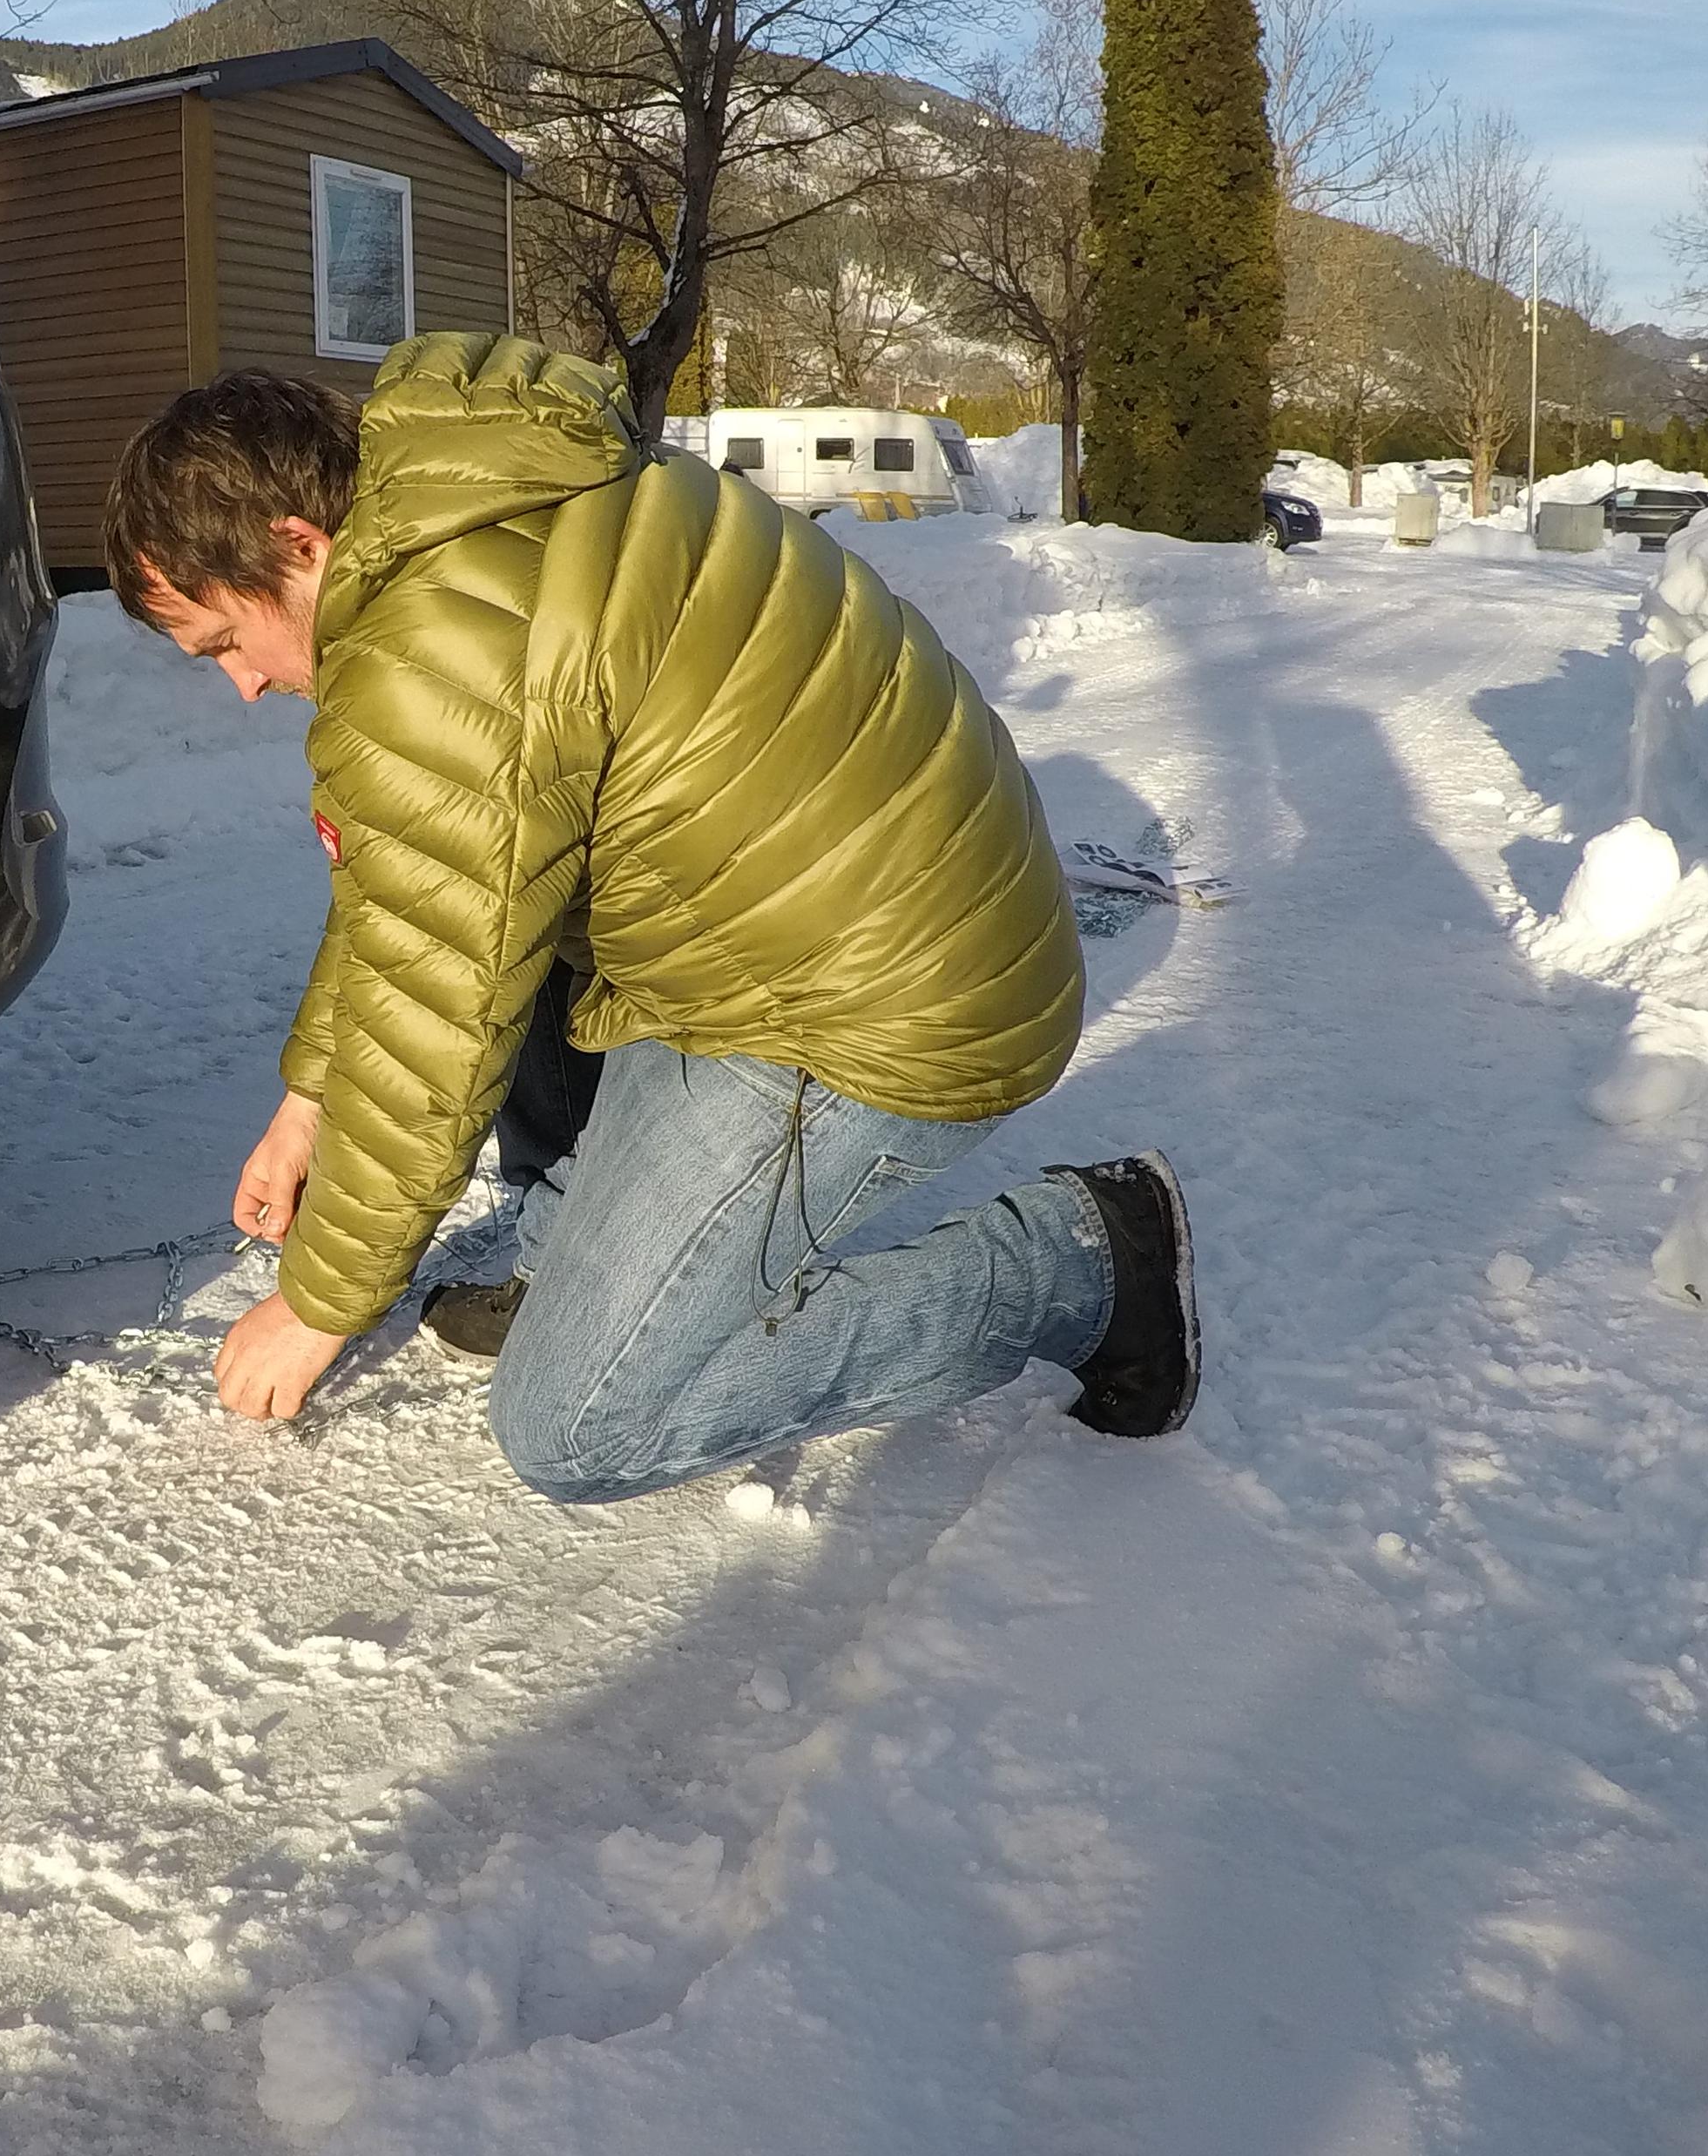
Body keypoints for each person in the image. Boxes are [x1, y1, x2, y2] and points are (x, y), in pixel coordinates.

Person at [97, 335, 1197, 1497]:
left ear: (297, 544)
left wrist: (318, 1306)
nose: (243, 684)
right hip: (819, 937)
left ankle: (1084, 1263)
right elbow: (410, 893)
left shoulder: (436, 645)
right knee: (520, 962)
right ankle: (569, 1263)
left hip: (876, 1008)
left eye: (224, 639)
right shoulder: (491, 507)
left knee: (582, 1425)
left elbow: (439, 1011)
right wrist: (309, 1101)